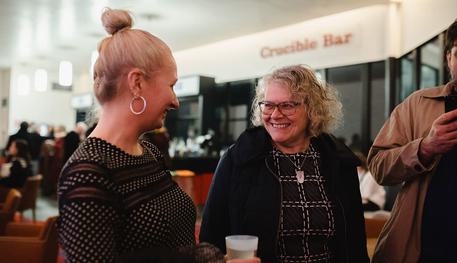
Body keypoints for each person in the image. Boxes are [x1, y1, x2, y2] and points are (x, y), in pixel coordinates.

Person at [57, 8, 223, 263]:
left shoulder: (149, 153)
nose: (175, 101)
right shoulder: (87, 172)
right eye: (171, 86)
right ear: (136, 83)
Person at [200, 64, 369, 263]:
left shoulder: (338, 160)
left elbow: (355, 241)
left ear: (312, 110)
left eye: (287, 105)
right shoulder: (238, 159)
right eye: (268, 105)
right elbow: (211, 238)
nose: (275, 114)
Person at [367, 19, 457, 263]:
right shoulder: (418, 104)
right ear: (449, 58)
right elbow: (378, 167)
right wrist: (425, 148)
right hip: (425, 249)